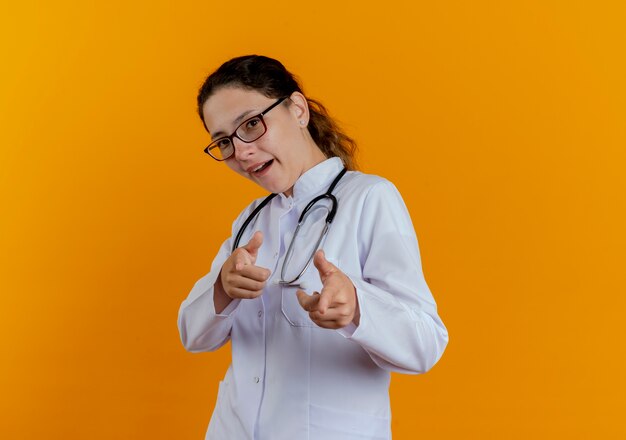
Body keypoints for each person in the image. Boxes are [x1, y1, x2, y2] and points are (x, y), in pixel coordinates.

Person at [177, 55, 448, 440]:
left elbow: (425, 345)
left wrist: (357, 306)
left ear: (298, 109)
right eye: (224, 141)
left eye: (251, 124)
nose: (241, 152)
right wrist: (222, 287)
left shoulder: (369, 198)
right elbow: (193, 335)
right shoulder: (250, 221)